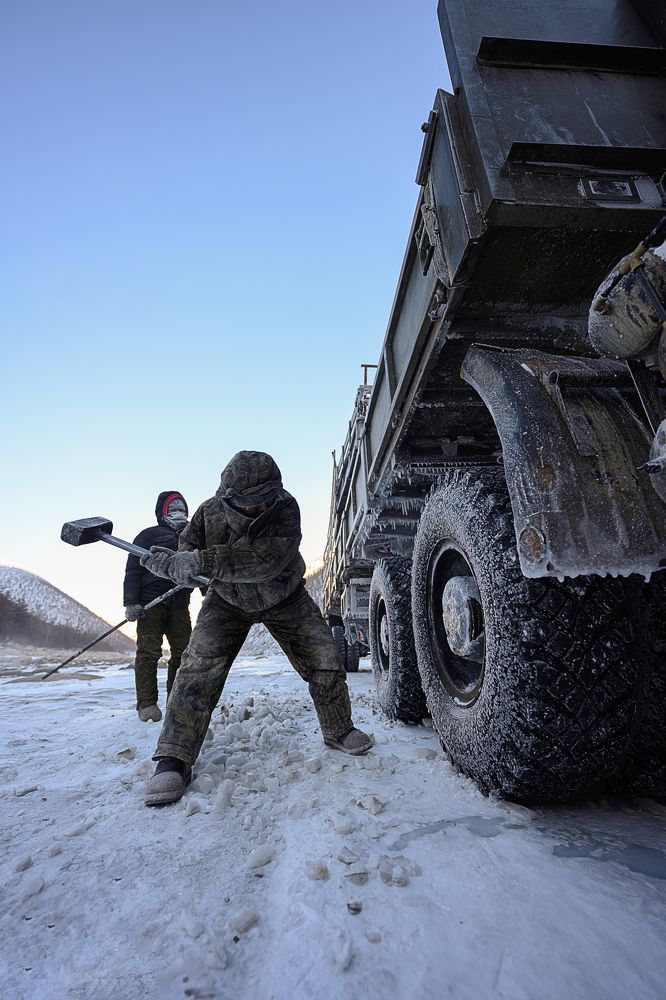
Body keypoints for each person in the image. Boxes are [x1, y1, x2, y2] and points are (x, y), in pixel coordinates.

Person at [140, 451, 372, 806]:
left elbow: (265, 561)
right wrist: (176, 565)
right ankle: (173, 756)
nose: (262, 507)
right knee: (196, 670)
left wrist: (200, 561)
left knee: (324, 657)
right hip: (226, 601)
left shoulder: (286, 508)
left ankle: (339, 729)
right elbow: (189, 549)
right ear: (229, 499)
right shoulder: (208, 513)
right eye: (253, 503)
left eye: (267, 499)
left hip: (284, 595)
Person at [123, 491, 193, 723]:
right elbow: (133, 570)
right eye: (173, 509)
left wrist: (210, 595)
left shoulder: (193, 537)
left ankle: (176, 701)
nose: (178, 512)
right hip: (150, 604)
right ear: (162, 512)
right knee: (148, 652)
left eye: (181, 508)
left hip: (180, 604)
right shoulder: (148, 535)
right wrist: (131, 602)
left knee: (184, 652)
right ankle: (147, 704)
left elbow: (201, 570)